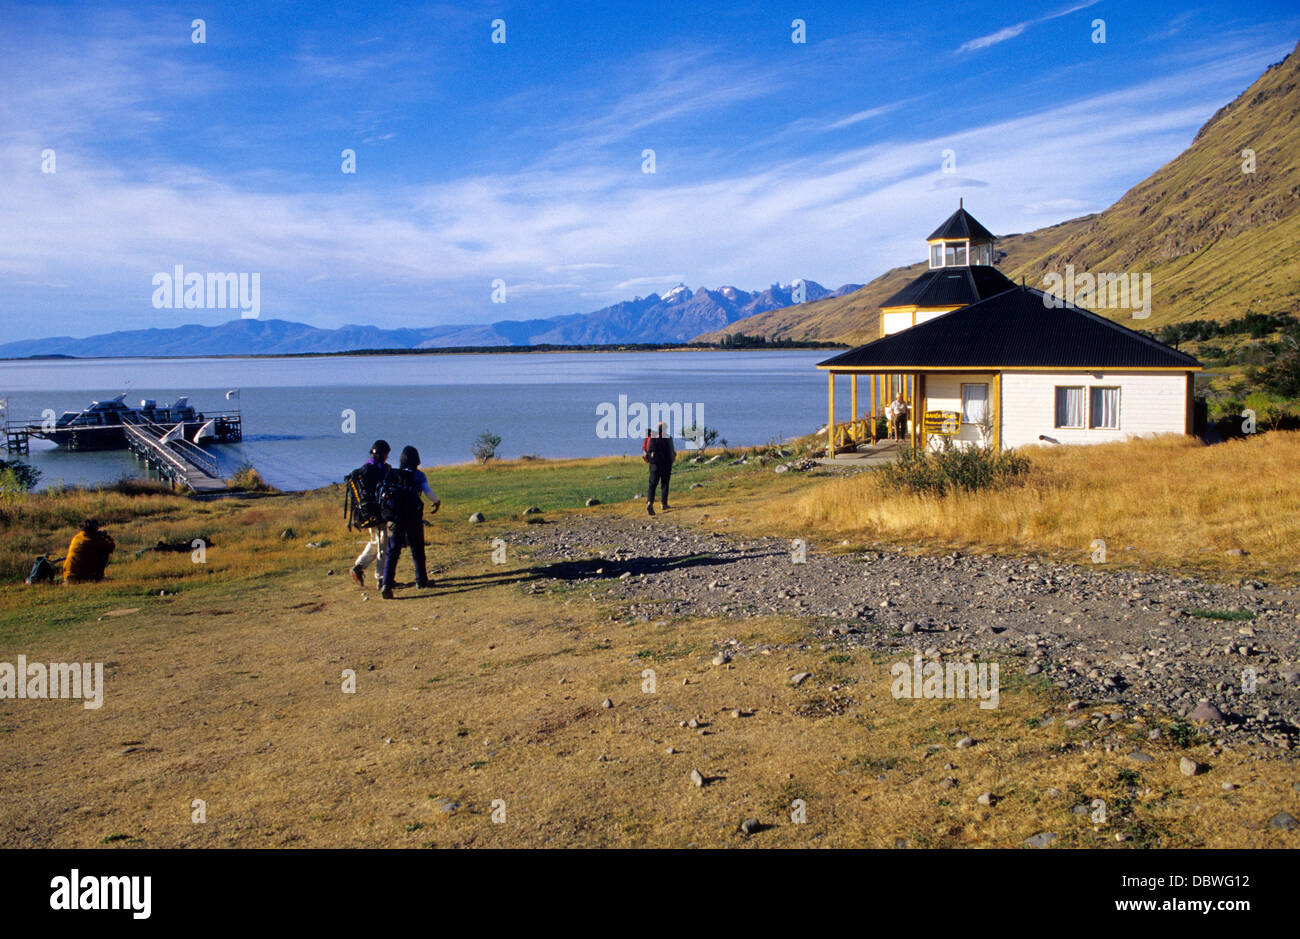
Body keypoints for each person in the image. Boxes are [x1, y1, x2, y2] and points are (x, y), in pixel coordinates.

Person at [380, 445, 440, 599]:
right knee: (417, 549)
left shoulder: (391, 474)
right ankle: (421, 580)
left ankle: (386, 584)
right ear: (416, 460)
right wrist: (437, 502)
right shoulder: (418, 475)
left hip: (394, 519)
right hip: (412, 517)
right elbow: (428, 492)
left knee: (392, 552)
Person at [350, 440, 391, 590]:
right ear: (382, 454)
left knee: (375, 542)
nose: (387, 457)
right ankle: (382, 579)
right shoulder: (379, 469)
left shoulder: (366, 466)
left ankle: (359, 567)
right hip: (378, 513)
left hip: (366, 513)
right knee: (383, 546)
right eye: (387, 454)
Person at [63, 519, 115, 583]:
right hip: (79, 577)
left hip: (67, 575)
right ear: (93, 529)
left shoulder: (77, 537)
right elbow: (110, 548)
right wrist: (106, 536)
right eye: (96, 528)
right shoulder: (92, 540)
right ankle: (97, 577)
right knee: (104, 553)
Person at [645, 423, 675, 516]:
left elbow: (648, 450)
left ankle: (650, 502)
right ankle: (663, 504)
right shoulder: (668, 437)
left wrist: (650, 460)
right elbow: (671, 451)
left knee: (652, 484)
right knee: (664, 484)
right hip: (666, 464)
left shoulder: (652, 437)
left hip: (654, 464)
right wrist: (672, 461)